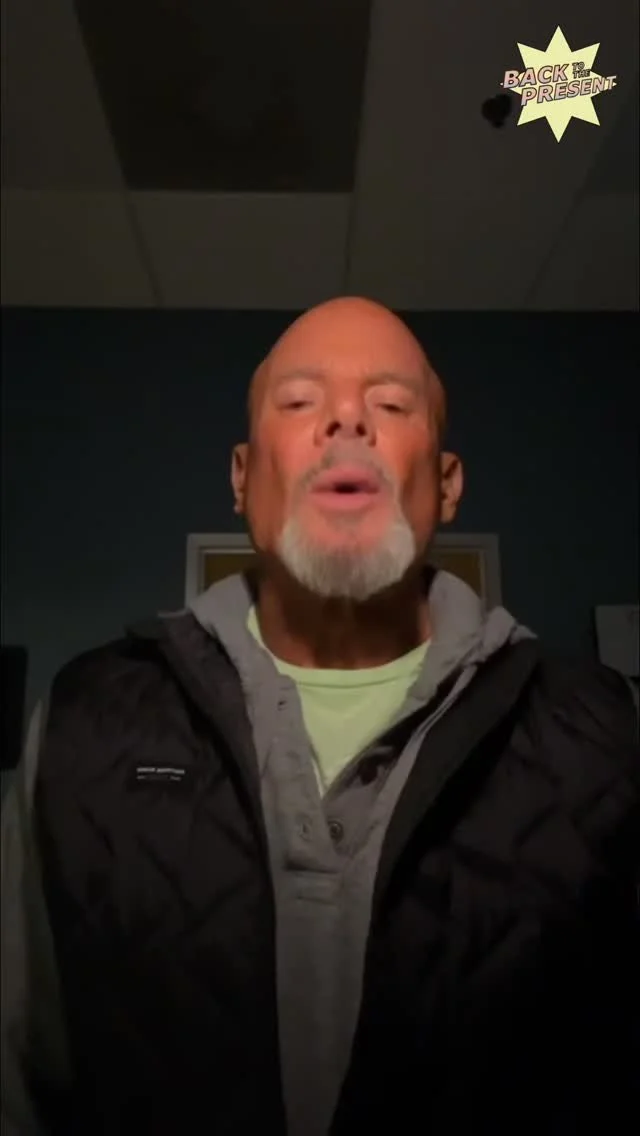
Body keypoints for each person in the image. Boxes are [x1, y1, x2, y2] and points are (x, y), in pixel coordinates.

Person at [1, 297, 638, 1136]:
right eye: (301, 401)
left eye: (391, 405)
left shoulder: (606, 735)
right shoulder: (82, 721)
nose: (346, 419)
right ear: (241, 477)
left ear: (447, 484)